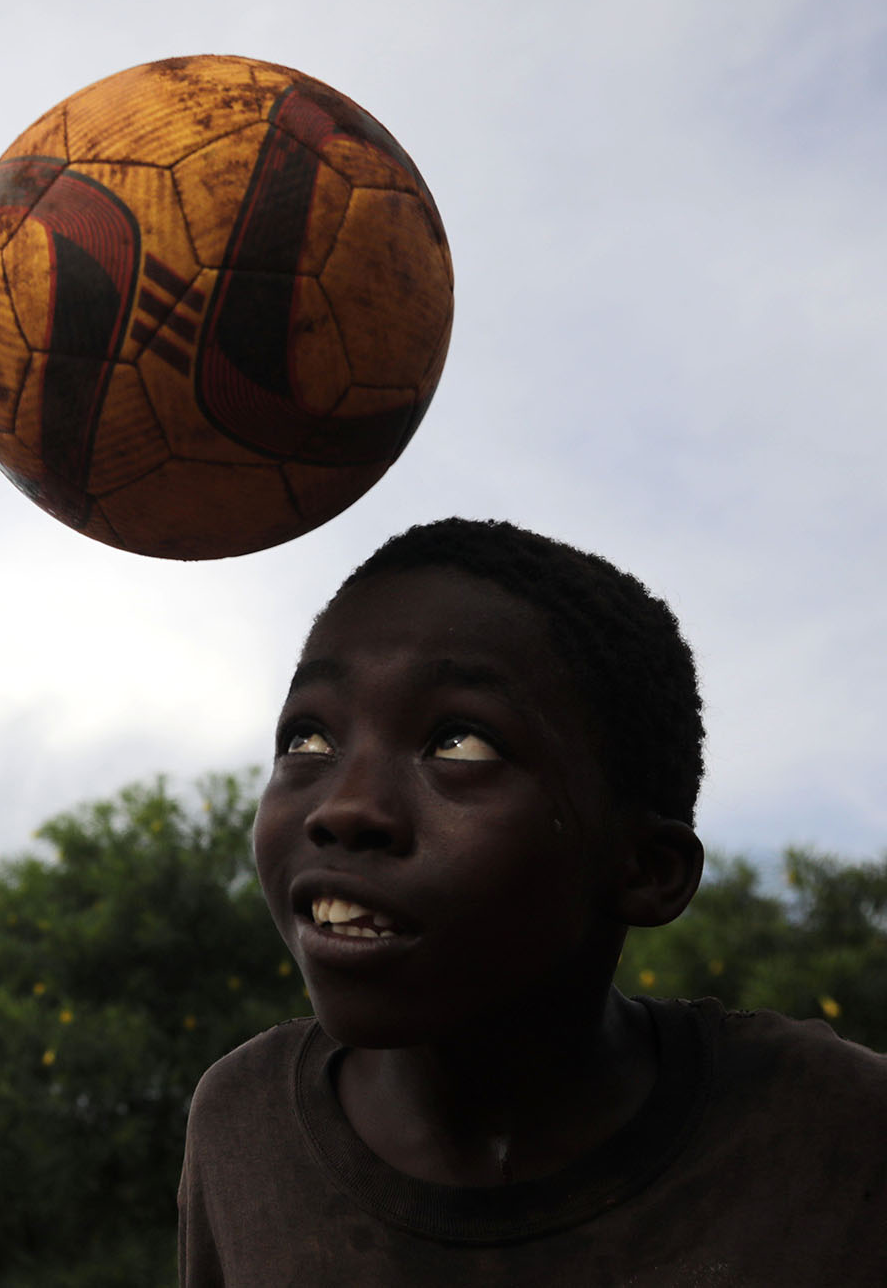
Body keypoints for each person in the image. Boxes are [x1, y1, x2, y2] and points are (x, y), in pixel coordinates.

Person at [178, 518, 887, 1285]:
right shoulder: (244, 1127)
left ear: (647, 869)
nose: (343, 807)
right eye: (309, 739)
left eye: (461, 744)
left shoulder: (839, 1134)